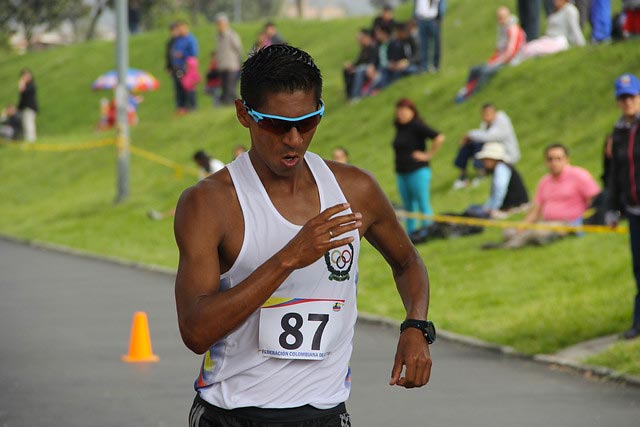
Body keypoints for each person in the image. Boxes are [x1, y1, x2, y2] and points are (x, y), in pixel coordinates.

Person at [174, 45, 434, 426]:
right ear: (244, 114)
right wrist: (288, 258)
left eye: (308, 122)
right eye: (278, 125)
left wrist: (416, 326)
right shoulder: (209, 204)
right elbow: (195, 331)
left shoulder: (355, 189)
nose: (294, 139)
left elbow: (407, 260)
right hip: (233, 413)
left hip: (325, 413)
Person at [485, 143, 599, 249]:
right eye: (550, 159)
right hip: (546, 222)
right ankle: (528, 239)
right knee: (509, 231)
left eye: (558, 158)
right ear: (546, 162)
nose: (554, 162)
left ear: (567, 160)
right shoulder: (544, 181)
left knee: (536, 232)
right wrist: (522, 226)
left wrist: (580, 224)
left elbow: (595, 201)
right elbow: (536, 210)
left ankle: (506, 246)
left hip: (567, 223)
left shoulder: (579, 175)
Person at [606, 73, 640, 340]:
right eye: (623, 98)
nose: (627, 102)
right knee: (638, 267)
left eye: (631, 97)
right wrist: (613, 208)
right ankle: (638, 322)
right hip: (633, 210)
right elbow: (615, 173)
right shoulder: (617, 132)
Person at [392, 98, 445, 243]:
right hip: (402, 173)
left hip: (418, 171)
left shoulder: (417, 126)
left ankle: (428, 231)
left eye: (404, 110)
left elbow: (439, 137)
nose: (401, 114)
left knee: (422, 202)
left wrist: (428, 155)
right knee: (408, 205)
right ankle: (411, 235)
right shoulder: (399, 127)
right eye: (399, 110)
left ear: (412, 112)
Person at [455, 6, 527, 103]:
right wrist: (492, 60)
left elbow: (510, 53)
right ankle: (466, 90)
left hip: (511, 61)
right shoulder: (502, 28)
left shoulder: (513, 30)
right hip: (500, 59)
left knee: (485, 71)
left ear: (507, 16)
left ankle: (473, 94)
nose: (500, 20)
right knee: (475, 69)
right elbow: (499, 49)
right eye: (499, 18)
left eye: (502, 18)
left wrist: (495, 62)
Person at [453, 103, 521, 189]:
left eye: (488, 114)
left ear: (494, 113)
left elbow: (488, 137)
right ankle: (462, 176)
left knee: (479, 145)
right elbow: (482, 135)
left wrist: (470, 135)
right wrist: (469, 137)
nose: (485, 117)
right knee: (468, 146)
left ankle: (481, 175)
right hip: (493, 152)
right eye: (484, 115)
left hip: (507, 155)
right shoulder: (486, 124)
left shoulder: (503, 121)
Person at [468, 142, 529, 219]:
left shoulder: (501, 168)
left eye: (486, 159)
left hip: (514, 207)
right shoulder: (499, 168)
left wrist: (491, 209)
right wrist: (487, 206)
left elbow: (500, 191)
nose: (484, 162)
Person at [513, 0, 585, 64]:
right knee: (527, 47)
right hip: (549, 39)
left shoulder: (570, 10)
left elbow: (575, 29)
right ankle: (514, 65)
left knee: (531, 48)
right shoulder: (556, 10)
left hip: (558, 41)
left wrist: (582, 45)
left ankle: (514, 65)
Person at [170, 20, 199, 114]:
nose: (180, 30)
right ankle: (181, 107)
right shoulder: (178, 40)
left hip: (187, 68)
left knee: (188, 88)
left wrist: (182, 54)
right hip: (177, 67)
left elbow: (193, 53)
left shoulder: (191, 39)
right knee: (178, 89)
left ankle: (191, 107)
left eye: (181, 27)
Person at [215, 13, 244, 106]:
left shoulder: (232, 35)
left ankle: (235, 106)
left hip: (232, 66)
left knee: (230, 88)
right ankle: (228, 105)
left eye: (221, 23)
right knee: (224, 88)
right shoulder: (218, 36)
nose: (220, 26)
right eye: (218, 23)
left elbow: (238, 49)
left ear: (226, 24)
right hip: (222, 66)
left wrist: (239, 62)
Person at [343, 28, 378, 102]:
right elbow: (358, 61)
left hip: (371, 69)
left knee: (360, 69)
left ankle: (355, 96)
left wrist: (369, 66)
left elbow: (374, 61)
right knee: (347, 70)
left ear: (367, 37)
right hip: (363, 68)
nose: (359, 41)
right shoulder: (363, 49)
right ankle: (349, 95)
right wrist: (351, 66)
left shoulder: (374, 46)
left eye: (361, 39)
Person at [413, 0, 446, 73]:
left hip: (433, 20)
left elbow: (441, 5)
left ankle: (435, 65)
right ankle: (424, 66)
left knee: (436, 44)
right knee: (423, 44)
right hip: (421, 19)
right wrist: (415, 17)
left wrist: (439, 18)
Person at [17, 68, 38, 142]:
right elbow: (22, 98)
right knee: (26, 124)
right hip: (25, 108)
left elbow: (24, 93)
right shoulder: (28, 85)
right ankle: (28, 139)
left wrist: (22, 84)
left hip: (30, 107)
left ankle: (31, 139)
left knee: (29, 123)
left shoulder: (31, 85)